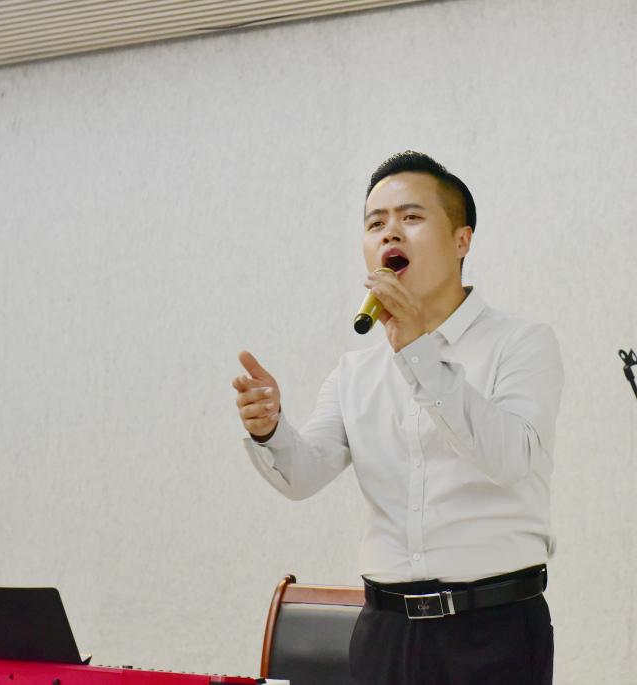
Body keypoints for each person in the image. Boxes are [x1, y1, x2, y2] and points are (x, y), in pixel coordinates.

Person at [232, 151, 564, 685]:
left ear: (462, 240)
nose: (390, 232)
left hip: (492, 631)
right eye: (375, 223)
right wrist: (269, 429)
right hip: (384, 631)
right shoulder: (356, 370)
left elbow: (510, 459)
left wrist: (418, 352)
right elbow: (302, 475)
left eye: (411, 217)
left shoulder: (521, 344)